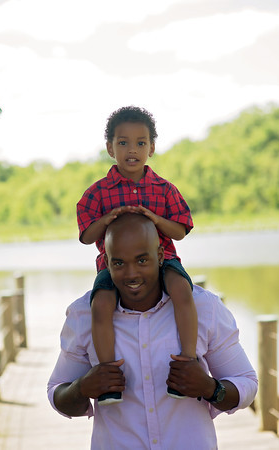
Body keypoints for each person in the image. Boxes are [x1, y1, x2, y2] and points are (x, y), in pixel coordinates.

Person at [47, 213, 258, 450]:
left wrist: (210, 388)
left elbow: (246, 383)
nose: (131, 274)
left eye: (142, 260)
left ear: (159, 256)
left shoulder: (204, 307)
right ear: (106, 262)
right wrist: (82, 388)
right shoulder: (84, 315)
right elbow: (57, 392)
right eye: (119, 263)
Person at [76, 106, 196, 403]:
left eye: (141, 143)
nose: (132, 150)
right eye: (123, 142)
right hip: (113, 265)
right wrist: (107, 220)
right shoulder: (98, 193)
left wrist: (156, 219)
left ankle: (188, 363)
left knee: (181, 289)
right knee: (101, 303)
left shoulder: (164, 189)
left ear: (152, 148)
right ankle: (108, 379)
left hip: (163, 258)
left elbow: (180, 230)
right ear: (109, 148)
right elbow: (86, 236)